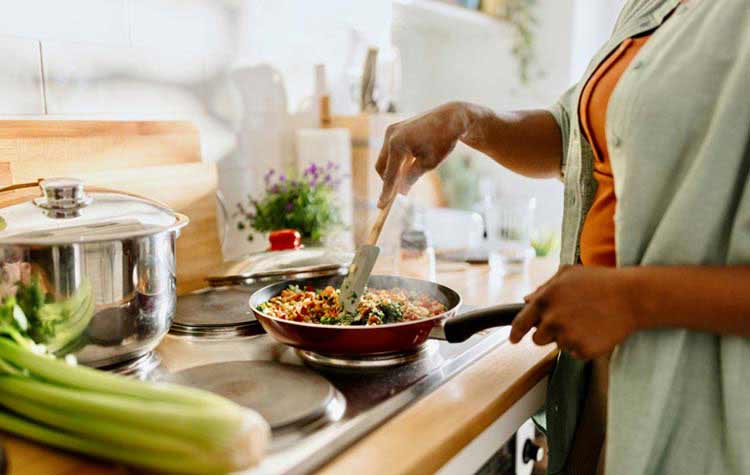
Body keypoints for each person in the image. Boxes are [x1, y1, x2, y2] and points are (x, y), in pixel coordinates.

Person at [374, 0, 750, 474]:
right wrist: (466, 119)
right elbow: (574, 134)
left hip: (704, 397)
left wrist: (633, 300)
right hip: (603, 367)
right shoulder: (652, 6)